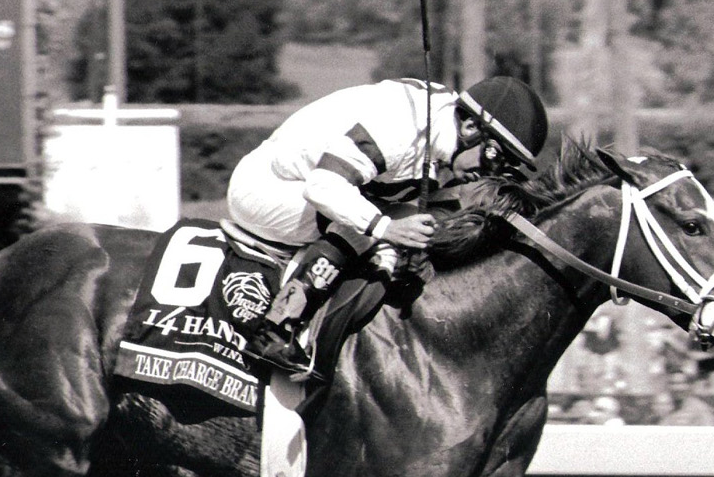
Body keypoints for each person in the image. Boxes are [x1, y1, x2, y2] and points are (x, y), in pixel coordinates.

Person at [225, 75, 549, 377]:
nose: (489, 172)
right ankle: (276, 329)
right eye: (495, 157)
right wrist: (385, 229)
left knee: (412, 216)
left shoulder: (439, 132)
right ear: (469, 127)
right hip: (269, 189)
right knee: (371, 224)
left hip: (309, 188)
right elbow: (322, 187)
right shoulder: (399, 129)